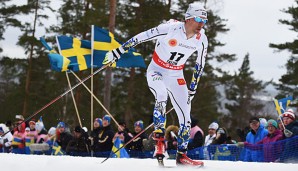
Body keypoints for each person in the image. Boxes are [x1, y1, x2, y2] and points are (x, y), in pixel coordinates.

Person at [102, 2, 208, 167]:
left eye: (204, 20)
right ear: (187, 19)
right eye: (197, 19)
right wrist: (118, 52)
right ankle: (159, 141)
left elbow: (200, 65)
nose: (201, 24)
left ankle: (182, 155)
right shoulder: (169, 28)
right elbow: (141, 37)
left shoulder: (202, 39)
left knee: (186, 117)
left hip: (176, 75)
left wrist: (193, 87)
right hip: (157, 71)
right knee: (161, 95)